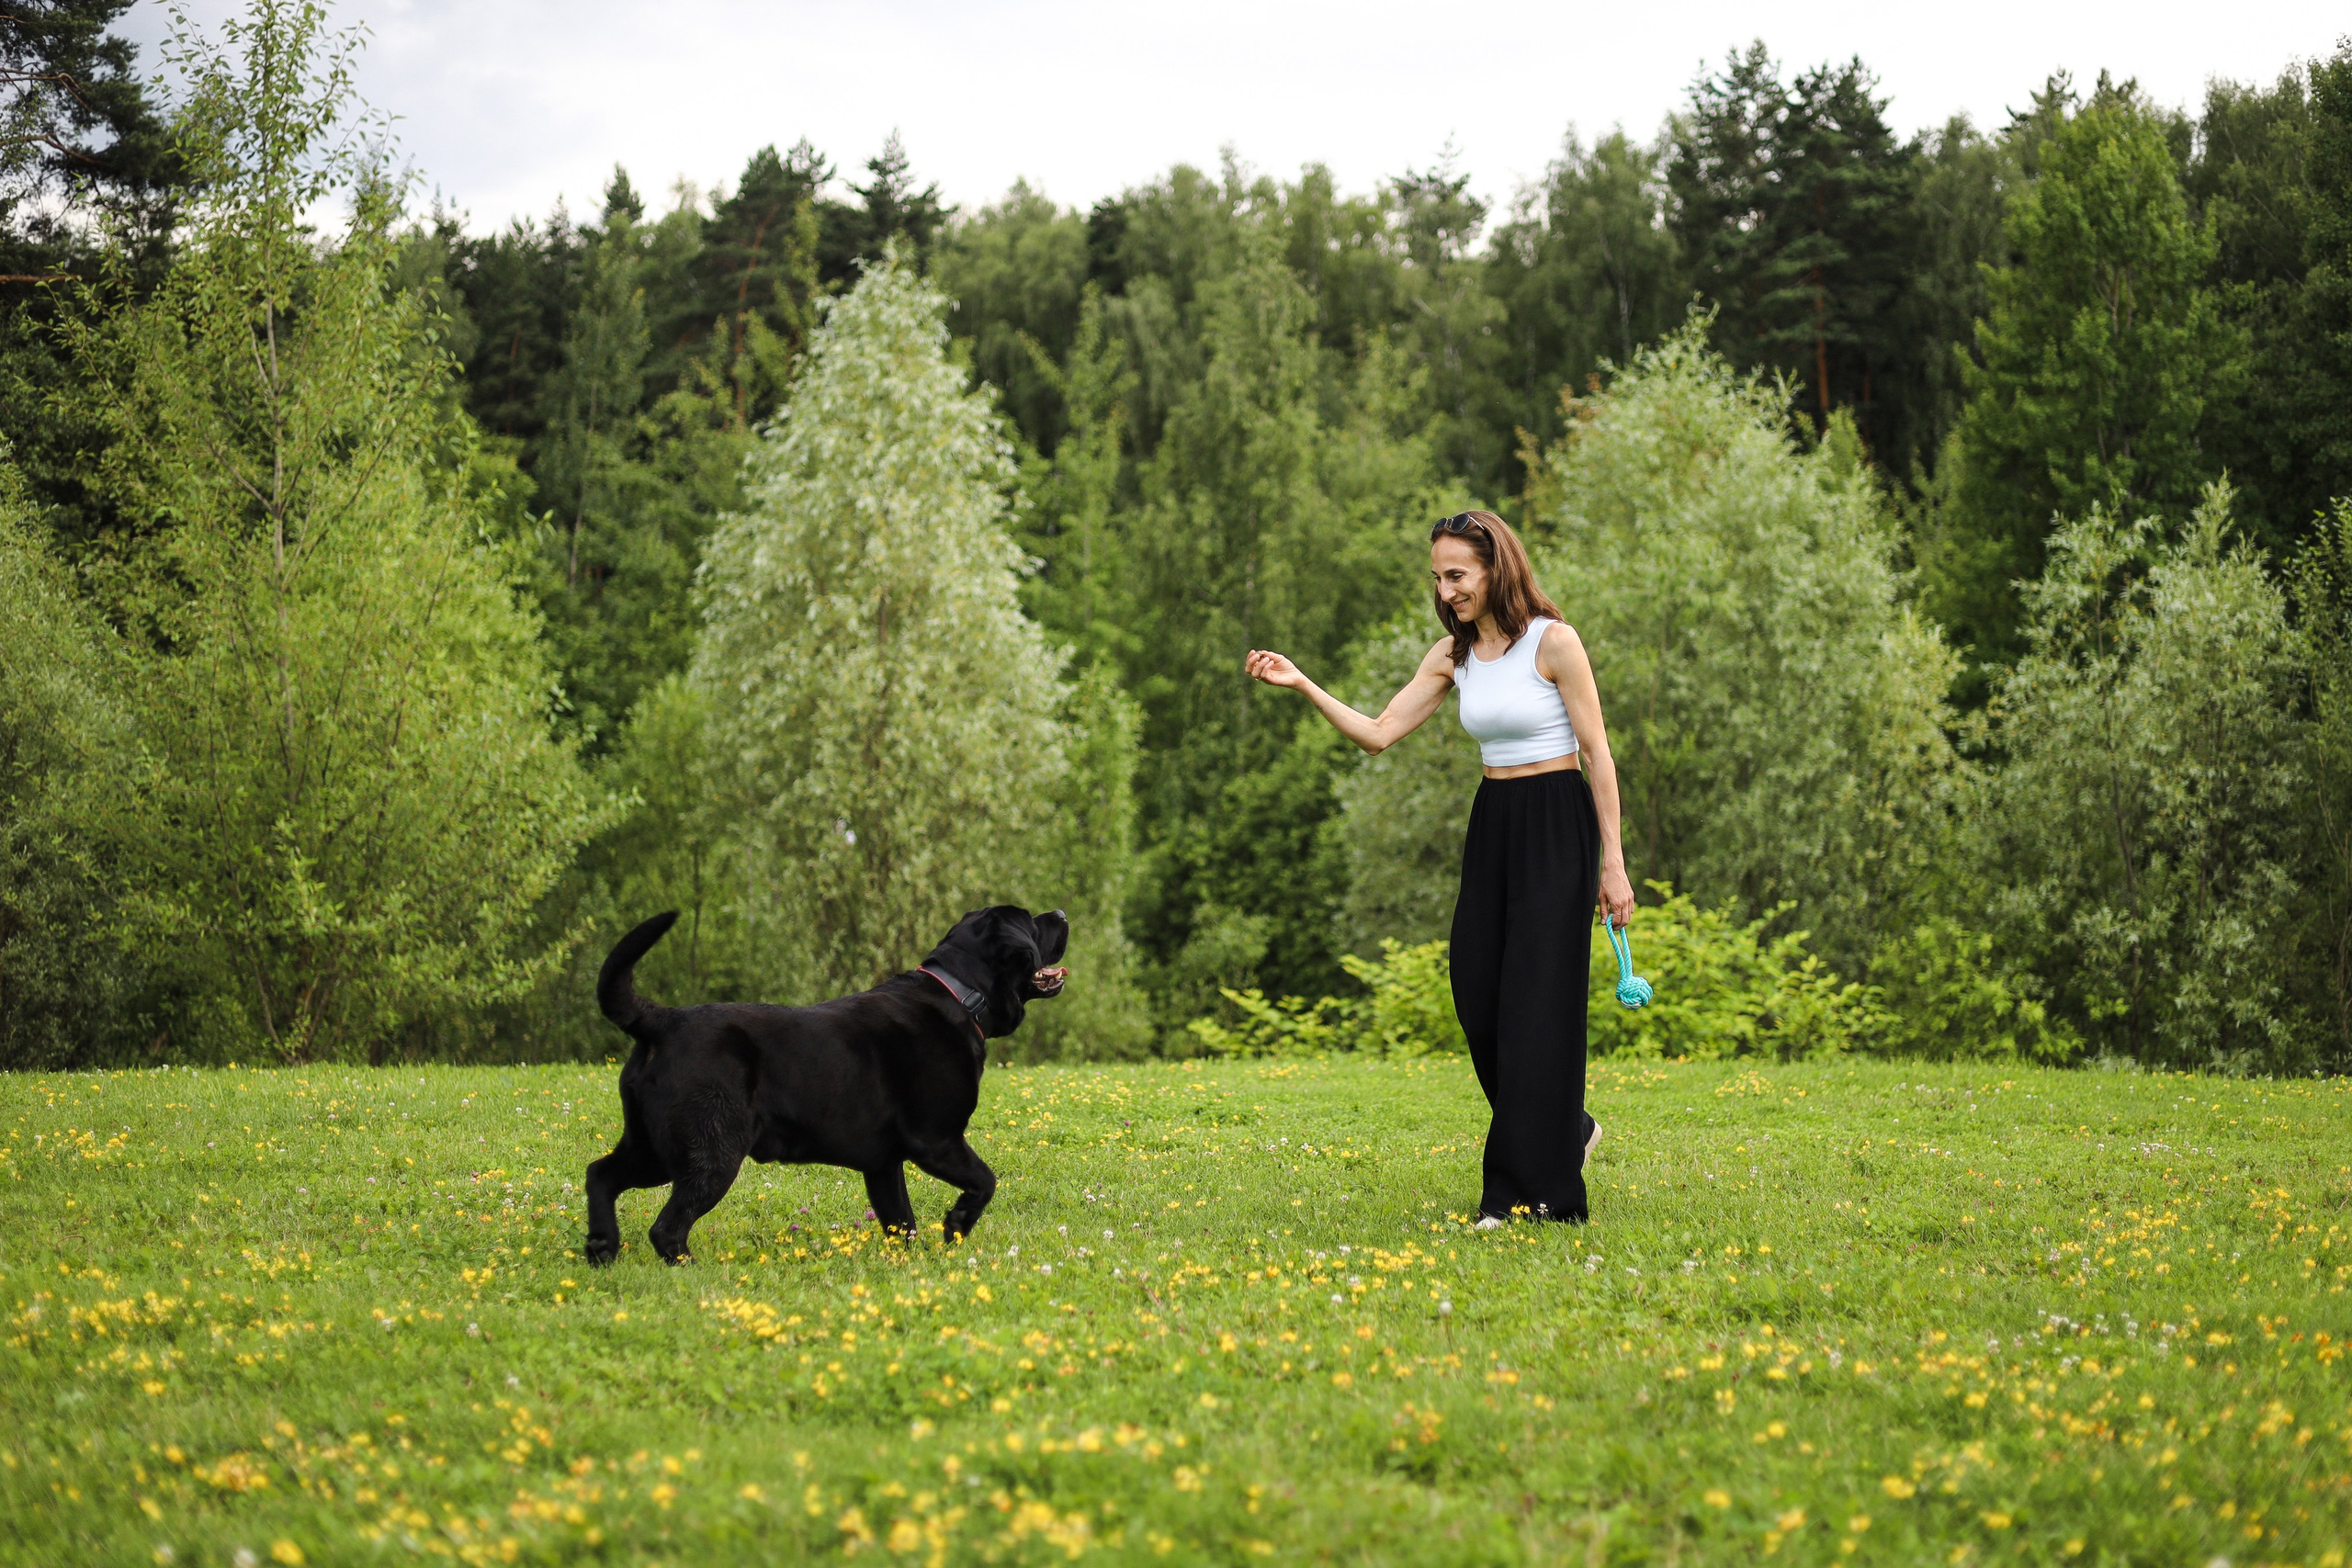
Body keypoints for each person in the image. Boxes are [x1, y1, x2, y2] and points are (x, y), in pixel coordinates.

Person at [1245, 510, 1634, 1225]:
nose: (1446, 588)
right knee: (1477, 991)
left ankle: (1527, 1194)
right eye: (1438, 576)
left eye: (1457, 574)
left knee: (1534, 1007)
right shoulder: (1452, 655)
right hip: (1494, 823)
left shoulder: (1555, 642)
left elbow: (1598, 751)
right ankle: (1567, 1130)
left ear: (1496, 568)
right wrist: (1303, 683)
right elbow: (1379, 733)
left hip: (1556, 822)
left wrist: (1613, 863)